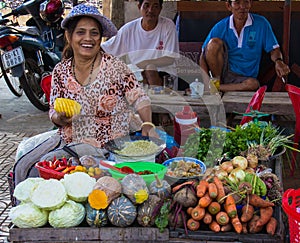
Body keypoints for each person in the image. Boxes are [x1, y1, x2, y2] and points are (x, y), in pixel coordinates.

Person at [49, 4, 157, 148]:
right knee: (25, 166)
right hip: (70, 146)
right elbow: (53, 110)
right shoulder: (60, 71)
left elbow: (139, 97)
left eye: (94, 33)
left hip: (111, 147)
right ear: (69, 36)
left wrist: (148, 124)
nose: (88, 38)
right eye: (80, 32)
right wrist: (61, 118)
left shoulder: (115, 67)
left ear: (100, 38)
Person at [199, 0, 290, 92]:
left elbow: (274, 50)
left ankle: (215, 89)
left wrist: (279, 62)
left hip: (245, 79)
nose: (242, 6)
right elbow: (203, 54)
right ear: (229, 6)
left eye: (246, 2)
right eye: (237, 2)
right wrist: (205, 81)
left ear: (250, 3)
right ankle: (216, 85)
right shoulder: (221, 26)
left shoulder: (261, 23)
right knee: (213, 43)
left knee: (254, 84)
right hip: (223, 75)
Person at [101, 0, 179, 87]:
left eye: (155, 6)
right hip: (138, 74)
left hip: (164, 75)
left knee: (150, 69)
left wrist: (145, 63)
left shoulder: (168, 26)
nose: (150, 10)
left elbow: (170, 58)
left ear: (160, 9)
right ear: (139, 7)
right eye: (146, 5)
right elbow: (106, 48)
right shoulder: (129, 29)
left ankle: (159, 99)